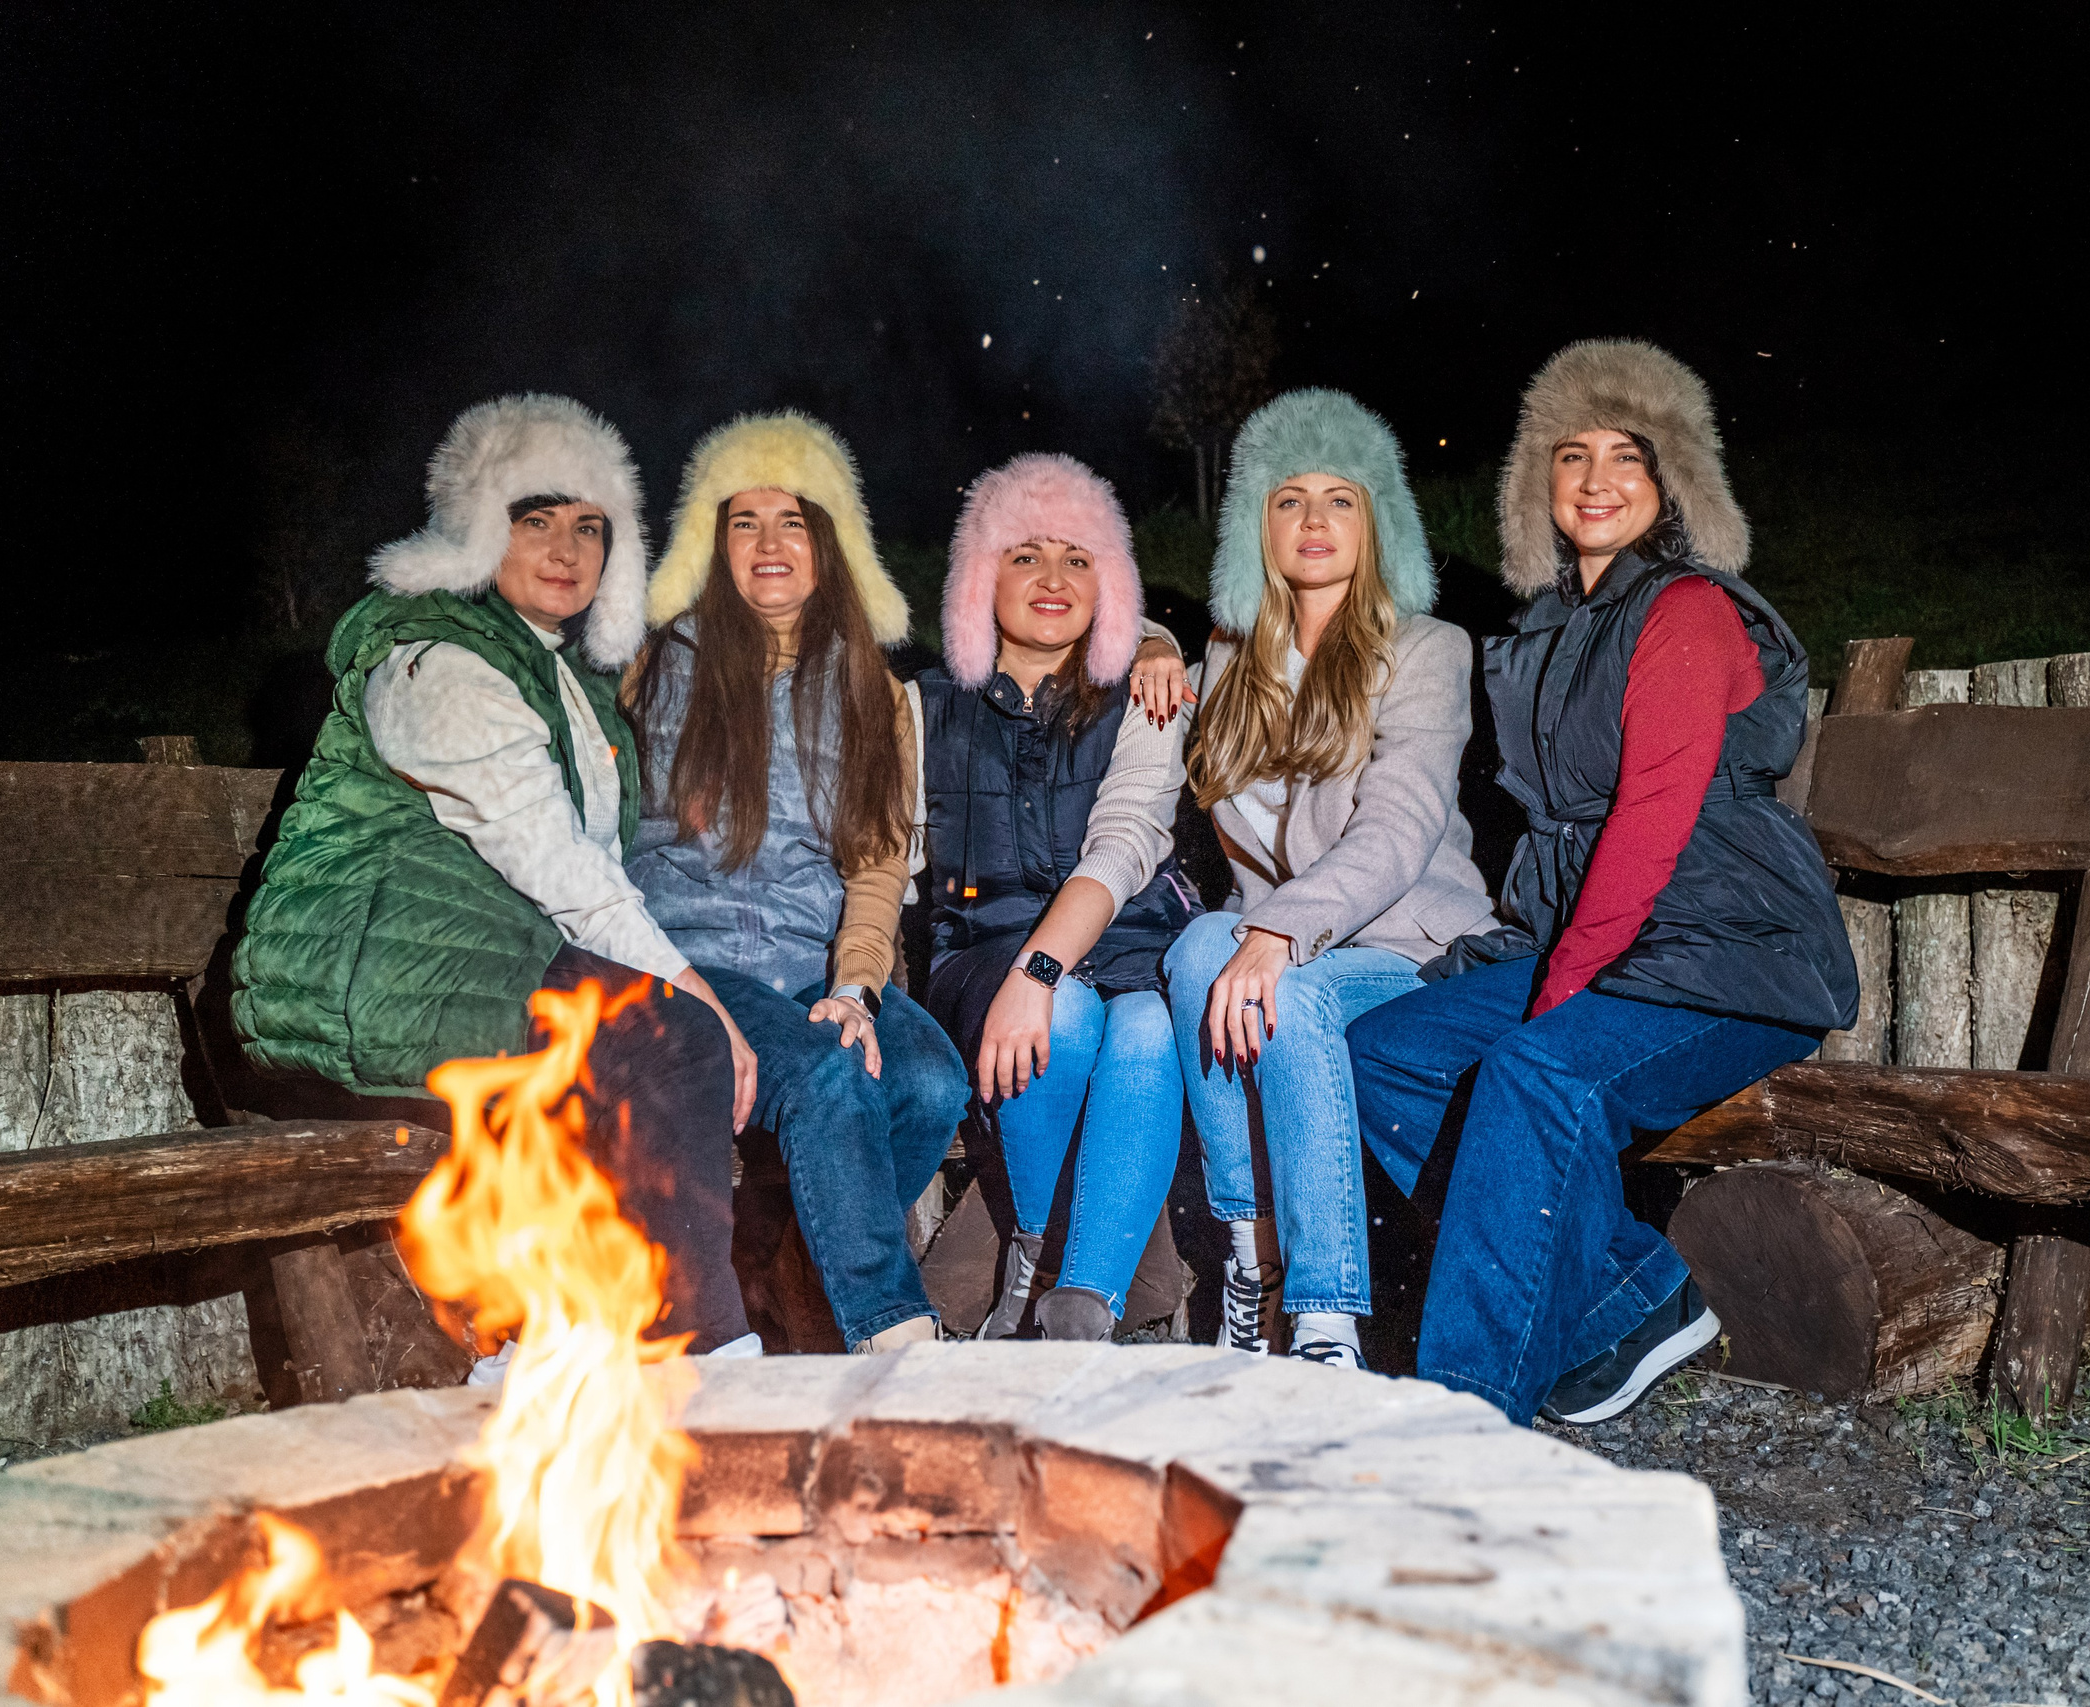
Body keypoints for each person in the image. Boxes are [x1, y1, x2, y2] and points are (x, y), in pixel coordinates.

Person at [1347, 339, 1859, 1427]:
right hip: (1601, 938)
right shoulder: (1544, 633)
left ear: (1672, 480)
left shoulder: (1684, 612)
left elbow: (1651, 820)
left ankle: (1464, 1408)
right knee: (1385, 1054)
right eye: (1568, 456)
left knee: (1535, 1071)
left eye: (1626, 457)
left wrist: (1559, 986)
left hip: (1727, 947)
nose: (1593, 481)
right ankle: (1631, 1292)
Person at [233, 394, 761, 1356]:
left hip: (482, 950)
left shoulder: (565, 672)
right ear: (479, 528)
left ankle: (569, 1352)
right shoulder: (437, 659)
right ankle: (703, 1357)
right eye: (536, 519)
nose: (566, 549)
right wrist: (697, 996)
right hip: (376, 960)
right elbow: (555, 861)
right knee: (672, 1042)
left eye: (589, 527)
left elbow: (588, 856)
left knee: (636, 1051)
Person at [1163, 389, 1496, 1370]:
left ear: (1377, 519)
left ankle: (1324, 1321)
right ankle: (1250, 1258)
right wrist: (1146, 643)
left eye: (1338, 499)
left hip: (1406, 952)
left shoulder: (1426, 650)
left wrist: (1279, 932)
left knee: (1286, 986)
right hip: (1288, 952)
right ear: (1253, 529)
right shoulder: (1228, 661)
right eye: (1288, 499)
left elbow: (1399, 827)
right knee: (1194, 953)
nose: (1312, 522)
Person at [624, 410, 965, 1354]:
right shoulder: (652, 667)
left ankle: (797, 1279)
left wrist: (856, 985)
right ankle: (894, 1337)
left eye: (794, 520)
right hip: (690, 968)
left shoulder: (873, 691)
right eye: (745, 521)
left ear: (832, 542)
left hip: (812, 966)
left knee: (931, 1078)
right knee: (827, 1078)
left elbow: (877, 863)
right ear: (711, 540)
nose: (770, 544)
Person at [918, 453, 1198, 1342]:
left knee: (1150, 1025)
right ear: (978, 574)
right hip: (983, 954)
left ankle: (1077, 1305)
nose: (1053, 578)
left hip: (1121, 944)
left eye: (1080, 558)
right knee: (1068, 1016)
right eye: (1024, 553)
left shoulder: (1145, 694)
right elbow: (884, 855)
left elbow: (1125, 841)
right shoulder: (924, 706)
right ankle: (1040, 1265)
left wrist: (1150, 637)